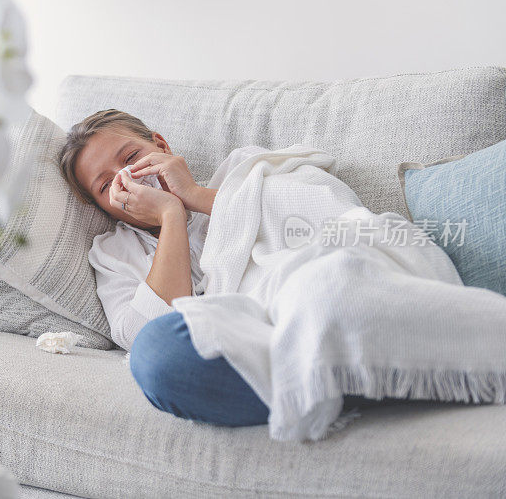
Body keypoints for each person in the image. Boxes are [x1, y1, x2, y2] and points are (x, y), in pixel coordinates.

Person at [58, 109, 394, 427]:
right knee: (156, 354)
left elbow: (332, 215)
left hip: (321, 301)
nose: (128, 178)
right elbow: (145, 332)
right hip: (257, 347)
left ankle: (345, 375)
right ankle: (361, 378)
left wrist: (192, 195)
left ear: (160, 146)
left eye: (131, 158)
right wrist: (169, 216)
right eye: (105, 186)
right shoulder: (112, 254)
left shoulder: (244, 170)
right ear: (101, 206)